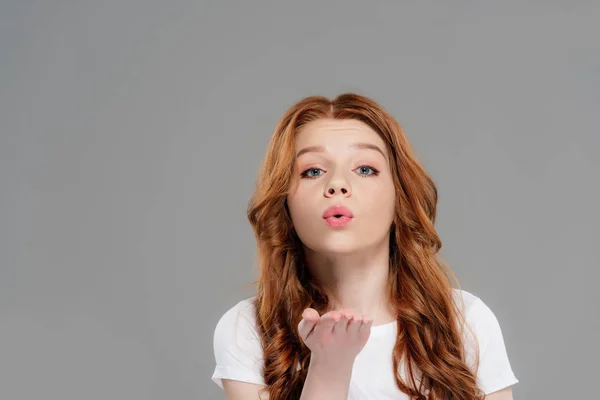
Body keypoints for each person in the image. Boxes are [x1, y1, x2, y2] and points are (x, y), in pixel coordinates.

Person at [211, 93, 519, 399]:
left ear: (400, 197)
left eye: (365, 169)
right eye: (313, 171)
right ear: (285, 203)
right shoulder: (248, 329)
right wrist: (329, 366)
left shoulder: (466, 320)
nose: (337, 184)